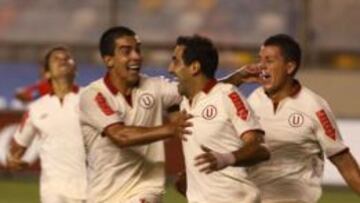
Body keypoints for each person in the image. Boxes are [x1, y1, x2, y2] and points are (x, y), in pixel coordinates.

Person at [236, 34, 360, 203]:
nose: (261, 67)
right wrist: (237, 79)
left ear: (289, 67)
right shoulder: (254, 98)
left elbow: (343, 161)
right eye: (260, 60)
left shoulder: (314, 107)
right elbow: (212, 96)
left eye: (269, 61)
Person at [79, 26, 192, 203]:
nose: (136, 56)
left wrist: (237, 78)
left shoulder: (155, 86)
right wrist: (171, 128)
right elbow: (120, 135)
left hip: (144, 191)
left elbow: (200, 89)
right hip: (101, 196)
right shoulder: (93, 95)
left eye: (137, 50)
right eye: (126, 51)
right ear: (109, 60)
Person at [168, 35, 270, 203]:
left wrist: (225, 159)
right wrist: (192, 176)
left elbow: (261, 148)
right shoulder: (187, 101)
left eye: (176, 61)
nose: (170, 69)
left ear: (194, 67)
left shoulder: (228, 95)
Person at [6, 46, 87, 203]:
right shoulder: (36, 108)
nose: (63, 60)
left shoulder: (91, 98)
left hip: (90, 190)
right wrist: (12, 160)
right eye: (56, 59)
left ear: (75, 69)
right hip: (52, 193)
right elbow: (17, 147)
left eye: (67, 58)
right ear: (47, 73)